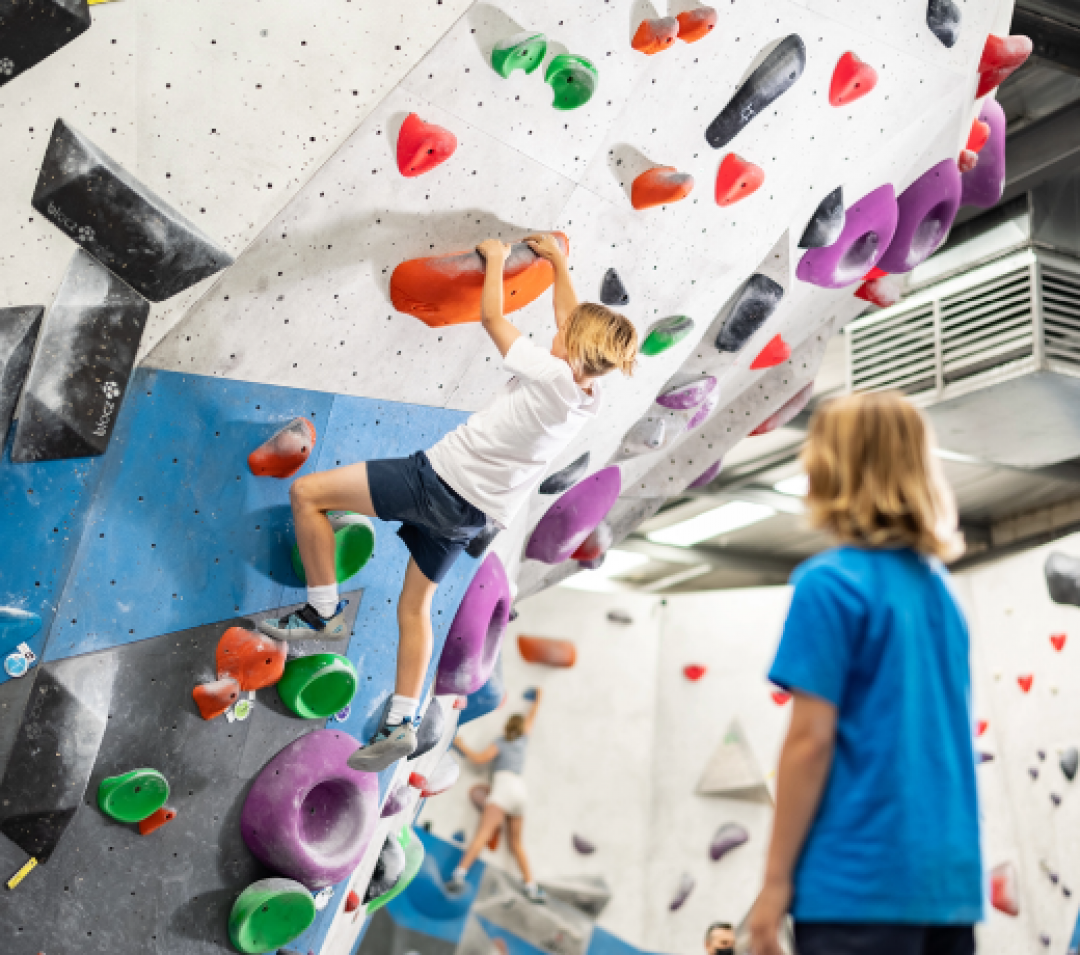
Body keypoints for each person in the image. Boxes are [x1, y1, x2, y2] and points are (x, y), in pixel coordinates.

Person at [259, 235, 637, 771]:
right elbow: (571, 318)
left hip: (434, 482)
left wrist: (497, 262)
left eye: (565, 332)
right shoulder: (588, 395)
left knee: (307, 494)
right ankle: (402, 721)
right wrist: (557, 263)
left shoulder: (552, 373)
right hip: (472, 517)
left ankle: (321, 611)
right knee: (415, 607)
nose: (557, 328)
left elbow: (493, 319)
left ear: (575, 347)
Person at [749, 391, 982, 955]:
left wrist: (774, 884)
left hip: (857, 883)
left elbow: (810, 742)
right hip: (946, 885)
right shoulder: (939, 591)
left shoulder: (829, 584)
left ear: (834, 468)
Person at [448, 689, 543, 900]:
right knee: (516, 843)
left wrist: (461, 745)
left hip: (503, 788)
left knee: (483, 833)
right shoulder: (523, 739)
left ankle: (459, 874)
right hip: (520, 791)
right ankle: (531, 886)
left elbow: (479, 759)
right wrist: (539, 697)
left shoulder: (501, 743)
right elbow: (532, 716)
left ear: (506, 726)